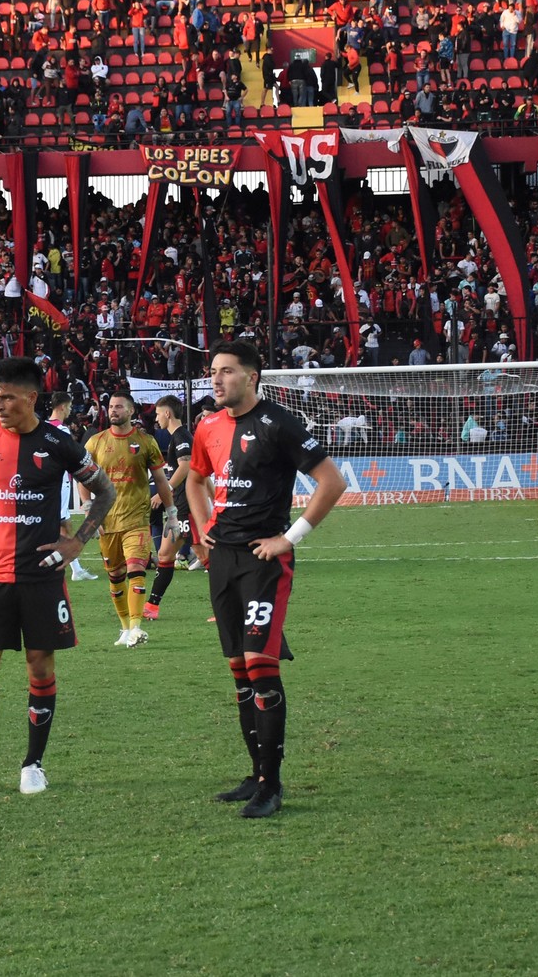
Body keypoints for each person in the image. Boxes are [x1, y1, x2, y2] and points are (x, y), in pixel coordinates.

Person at [0, 358, 116, 800]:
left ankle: (33, 765)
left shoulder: (59, 442)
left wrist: (78, 543)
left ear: (32, 398)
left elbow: (104, 491)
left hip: (42, 577)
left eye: (9, 396)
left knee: (40, 664)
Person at [187, 341, 348, 819]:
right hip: (223, 560)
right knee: (238, 668)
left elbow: (331, 481)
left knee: (260, 665)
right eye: (213, 371)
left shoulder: (281, 423)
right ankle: (256, 773)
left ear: (253, 377)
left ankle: (273, 786)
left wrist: (289, 538)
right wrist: (201, 532)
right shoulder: (208, 425)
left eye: (228, 371)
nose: (217, 380)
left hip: (263, 560)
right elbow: (195, 480)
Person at [82, 391, 179, 647]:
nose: (113, 410)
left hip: (137, 518)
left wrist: (172, 513)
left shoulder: (146, 442)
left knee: (136, 569)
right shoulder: (95, 442)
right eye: (111, 407)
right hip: (107, 521)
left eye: (119, 407)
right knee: (115, 578)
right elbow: (82, 476)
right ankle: (125, 627)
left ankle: (136, 627)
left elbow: (161, 480)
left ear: (131, 411)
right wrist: (88, 508)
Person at [145, 394, 207, 621]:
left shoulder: (181, 436)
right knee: (164, 553)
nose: (156, 418)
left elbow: (187, 465)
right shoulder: (177, 437)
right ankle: (151, 606)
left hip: (188, 508)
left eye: (158, 414)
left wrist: (166, 491)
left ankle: (230, 606)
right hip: (178, 509)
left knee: (205, 556)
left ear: (168, 413)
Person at [46, 392, 99, 582]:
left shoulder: (43, 427)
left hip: (50, 482)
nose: (69, 411)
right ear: (61, 407)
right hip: (60, 482)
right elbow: (70, 457)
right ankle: (74, 569)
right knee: (62, 525)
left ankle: (75, 569)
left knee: (58, 525)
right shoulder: (61, 429)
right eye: (68, 407)